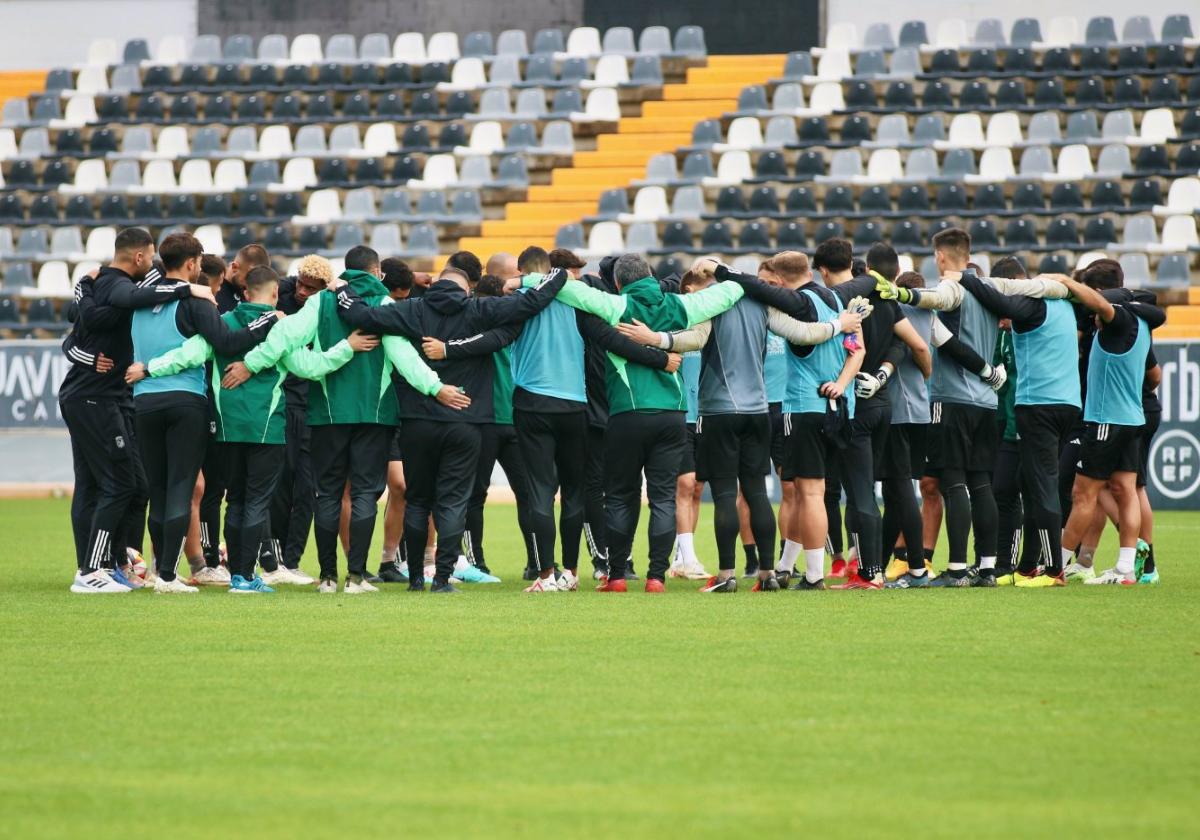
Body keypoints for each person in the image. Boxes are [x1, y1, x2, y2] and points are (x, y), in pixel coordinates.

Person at [223, 246, 463, 594]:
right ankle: (356, 577)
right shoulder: (382, 308)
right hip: (375, 415)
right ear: (377, 272)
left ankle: (327, 577)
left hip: (325, 414)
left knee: (329, 495)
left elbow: (283, 337)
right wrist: (436, 388)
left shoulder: (320, 303)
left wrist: (250, 364)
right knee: (365, 493)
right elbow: (404, 358)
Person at [127, 266, 377, 592]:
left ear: (245, 292)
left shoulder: (222, 325)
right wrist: (348, 346)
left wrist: (148, 368)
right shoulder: (280, 328)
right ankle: (245, 577)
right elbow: (313, 367)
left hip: (227, 428)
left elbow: (187, 355)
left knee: (236, 500)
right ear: (275, 294)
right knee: (257, 502)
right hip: (266, 427)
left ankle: (235, 576)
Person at [331, 264, 570, 592]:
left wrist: (340, 288)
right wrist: (554, 274)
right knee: (453, 501)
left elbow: (361, 316)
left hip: (417, 421)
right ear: (465, 290)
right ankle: (442, 578)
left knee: (417, 500)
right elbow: (532, 303)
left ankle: (416, 578)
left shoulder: (411, 310)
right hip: (465, 420)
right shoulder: (480, 308)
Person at [542, 254, 750, 591]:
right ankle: (656, 577)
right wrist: (720, 270)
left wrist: (522, 282)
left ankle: (618, 577)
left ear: (620, 282)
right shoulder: (683, 305)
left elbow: (565, 289)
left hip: (627, 413)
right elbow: (732, 291)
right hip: (672, 414)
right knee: (664, 498)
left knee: (621, 498)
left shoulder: (614, 305)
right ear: (650, 275)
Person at [883, 242, 1078, 588]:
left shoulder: (952, 287)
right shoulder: (991, 293)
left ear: (941, 256)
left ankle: (957, 568)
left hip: (953, 399)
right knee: (982, 484)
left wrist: (902, 294)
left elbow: (937, 303)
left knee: (954, 482)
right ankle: (987, 567)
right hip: (986, 404)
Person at [701, 252, 868, 590]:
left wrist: (717, 269)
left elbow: (759, 294)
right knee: (812, 493)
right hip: (836, 407)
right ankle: (784, 566)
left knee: (805, 494)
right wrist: (841, 385)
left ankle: (814, 575)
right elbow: (857, 349)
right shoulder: (835, 297)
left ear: (777, 278)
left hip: (802, 404)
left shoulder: (799, 302)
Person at [60, 229, 209, 593]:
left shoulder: (106, 287)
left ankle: (112, 563)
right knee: (118, 483)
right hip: (93, 397)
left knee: (118, 484)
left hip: (107, 396)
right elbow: (86, 323)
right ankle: (91, 569)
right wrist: (186, 290)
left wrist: (81, 288)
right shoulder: (115, 284)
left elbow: (78, 319)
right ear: (140, 257)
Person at [128, 233, 278, 592]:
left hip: (144, 401)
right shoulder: (197, 302)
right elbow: (226, 342)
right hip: (184, 401)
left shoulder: (140, 302)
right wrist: (266, 320)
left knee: (159, 489)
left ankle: (157, 573)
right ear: (193, 264)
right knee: (182, 487)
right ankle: (167, 575)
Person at [1055, 274, 1165, 585]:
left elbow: (1100, 304)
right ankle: (1126, 569)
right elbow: (1154, 376)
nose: (1094, 319)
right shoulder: (1143, 324)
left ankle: (1057, 568)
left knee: (1083, 494)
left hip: (1106, 420)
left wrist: (1064, 279)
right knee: (1125, 491)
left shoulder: (1120, 320)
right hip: (1132, 419)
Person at [267, 255, 332, 581]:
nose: (302, 291)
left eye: (311, 287)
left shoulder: (326, 307)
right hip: (284, 403)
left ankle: (291, 561)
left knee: (307, 488)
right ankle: (275, 558)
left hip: (312, 406)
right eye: (300, 284)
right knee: (281, 483)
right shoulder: (279, 298)